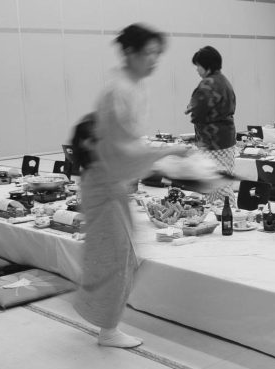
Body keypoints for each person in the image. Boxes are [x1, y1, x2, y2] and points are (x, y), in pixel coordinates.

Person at [74, 24, 189, 349]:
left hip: (113, 179)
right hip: (104, 178)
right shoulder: (119, 90)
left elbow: (130, 145)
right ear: (129, 53)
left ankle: (103, 320)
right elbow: (123, 150)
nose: (154, 60)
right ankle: (108, 329)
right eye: (149, 53)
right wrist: (166, 152)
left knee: (122, 253)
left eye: (157, 54)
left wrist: (160, 154)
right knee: (116, 255)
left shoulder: (134, 87)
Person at [186, 46, 236, 204]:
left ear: (207, 66)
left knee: (217, 185)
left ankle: (230, 216)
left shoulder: (208, 84)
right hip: (226, 138)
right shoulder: (223, 80)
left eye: (198, 66)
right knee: (222, 180)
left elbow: (198, 112)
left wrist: (191, 110)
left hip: (213, 141)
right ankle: (221, 216)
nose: (196, 70)